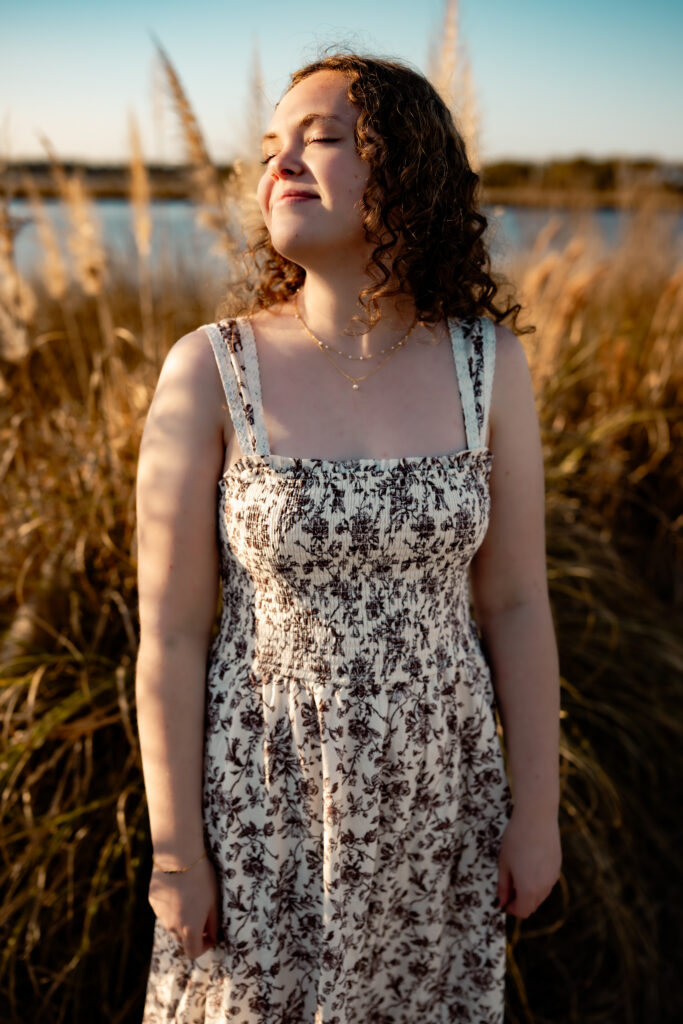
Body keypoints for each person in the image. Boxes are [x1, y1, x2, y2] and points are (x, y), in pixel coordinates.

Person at [136, 52, 561, 1024]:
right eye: (269, 147)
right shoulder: (210, 369)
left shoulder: (484, 367)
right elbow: (169, 633)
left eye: (322, 138)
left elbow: (514, 603)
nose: (282, 162)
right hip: (263, 806)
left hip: (436, 801)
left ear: (404, 169)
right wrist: (175, 851)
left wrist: (534, 815)